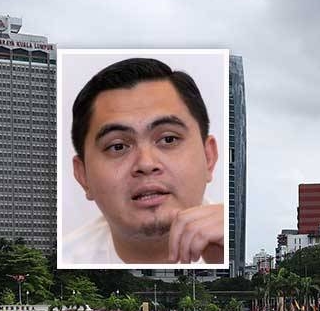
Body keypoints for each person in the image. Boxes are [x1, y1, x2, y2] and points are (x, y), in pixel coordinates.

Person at [65, 57, 223, 265]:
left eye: (168, 139)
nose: (146, 164)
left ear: (209, 157)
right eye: (118, 146)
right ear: (83, 176)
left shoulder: (232, 240)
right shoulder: (68, 258)